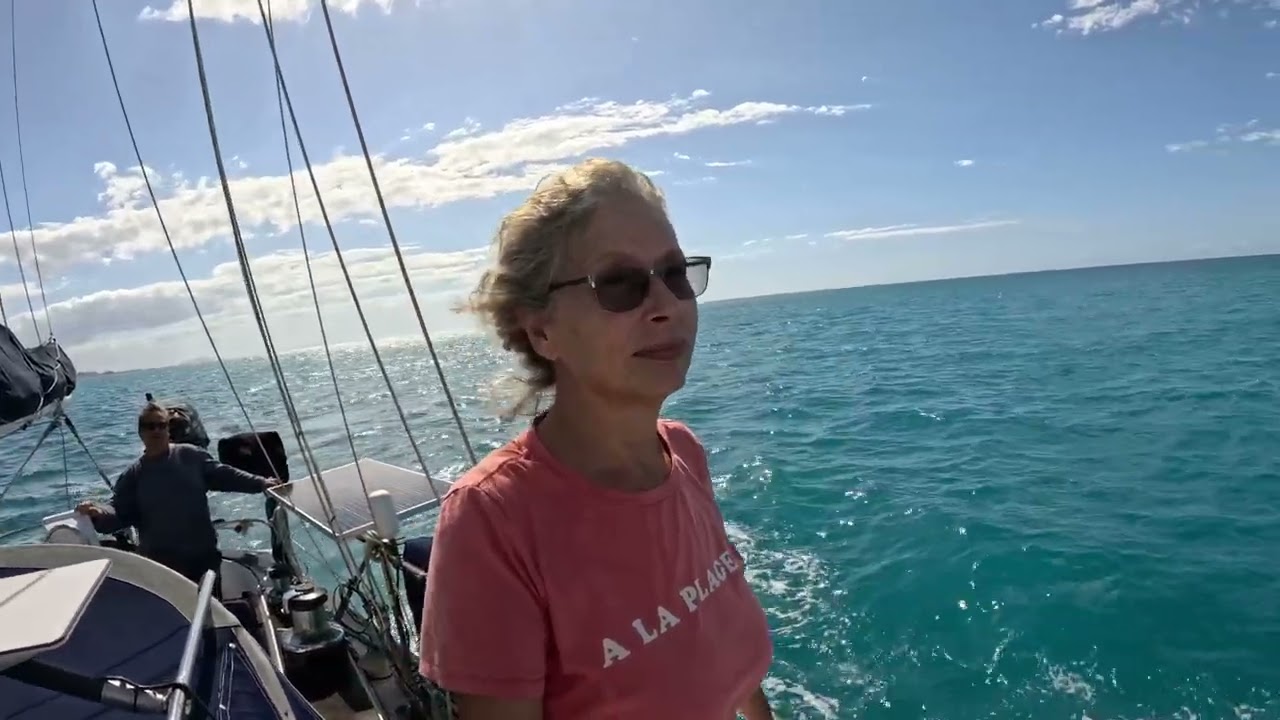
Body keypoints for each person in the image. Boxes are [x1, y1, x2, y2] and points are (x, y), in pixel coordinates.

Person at [418, 158, 776, 720]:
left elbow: (737, 681)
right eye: (619, 285)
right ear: (542, 330)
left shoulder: (682, 453)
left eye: (675, 273)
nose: (666, 307)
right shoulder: (492, 521)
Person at [76, 401, 284, 596]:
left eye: (161, 425)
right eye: (150, 426)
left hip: (204, 559)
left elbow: (226, 475)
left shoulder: (191, 457)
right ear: (141, 433)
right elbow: (118, 513)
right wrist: (98, 513)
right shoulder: (133, 476)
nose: (156, 430)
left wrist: (261, 483)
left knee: (210, 617)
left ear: (168, 430)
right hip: (163, 568)